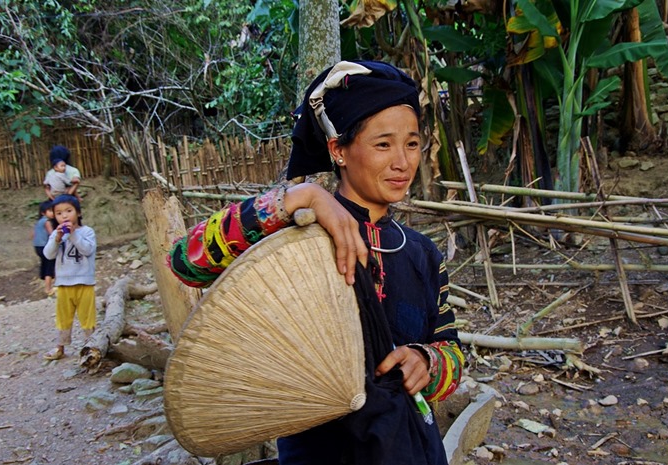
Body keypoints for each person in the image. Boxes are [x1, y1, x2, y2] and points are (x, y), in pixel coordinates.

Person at [169, 60, 464, 464]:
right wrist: (299, 197)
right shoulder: (295, 240)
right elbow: (187, 261)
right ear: (338, 150)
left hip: (410, 450)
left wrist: (427, 362)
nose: (402, 162)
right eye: (383, 144)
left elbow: (451, 351)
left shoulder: (421, 255)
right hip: (318, 452)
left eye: (411, 144)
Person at [42, 194, 97, 361]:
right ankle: (60, 347)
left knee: (88, 317)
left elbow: (87, 250)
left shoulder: (87, 232)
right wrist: (57, 238)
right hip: (64, 283)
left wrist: (73, 234)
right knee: (63, 317)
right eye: (59, 213)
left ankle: (91, 347)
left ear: (78, 213)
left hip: (84, 282)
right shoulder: (56, 235)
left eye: (68, 211)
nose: (64, 216)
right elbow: (48, 254)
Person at [32, 200, 56, 296]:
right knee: (49, 266)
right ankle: (48, 288)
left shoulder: (38, 222)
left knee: (44, 264)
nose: (52, 213)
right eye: (50, 211)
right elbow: (52, 234)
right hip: (45, 246)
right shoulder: (47, 222)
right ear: (43, 213)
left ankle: (47, 285)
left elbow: (33, 234)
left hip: (37, 247)